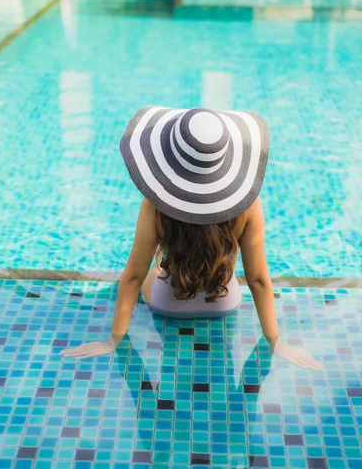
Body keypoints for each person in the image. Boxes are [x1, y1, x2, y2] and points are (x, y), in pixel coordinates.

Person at [61, 106, 322, 370]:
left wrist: (113, 341)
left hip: (167, 302)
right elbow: (257, 280)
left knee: (147, 272)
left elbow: (132, 277)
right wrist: (276, 343)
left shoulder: (156, 205)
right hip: (223, 302)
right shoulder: (249, 205)